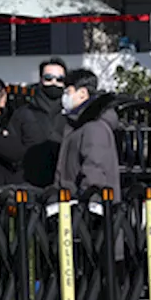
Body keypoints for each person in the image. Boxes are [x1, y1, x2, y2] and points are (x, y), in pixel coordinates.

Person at [54, 69, 122, 201]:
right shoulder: (78, 125)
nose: (64, 97)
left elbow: (94, 170)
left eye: (68, 92)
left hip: (86, 210)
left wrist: (90, 203)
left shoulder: (93, 127)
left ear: (83, 93)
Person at [9, 57, 69, 186]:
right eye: (48, 78)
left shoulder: (71, 116)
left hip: (63, 185)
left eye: (60, 79)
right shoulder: (23, 113)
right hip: (27, 185)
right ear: (41, 80)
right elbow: (11, 150)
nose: (54, 83)